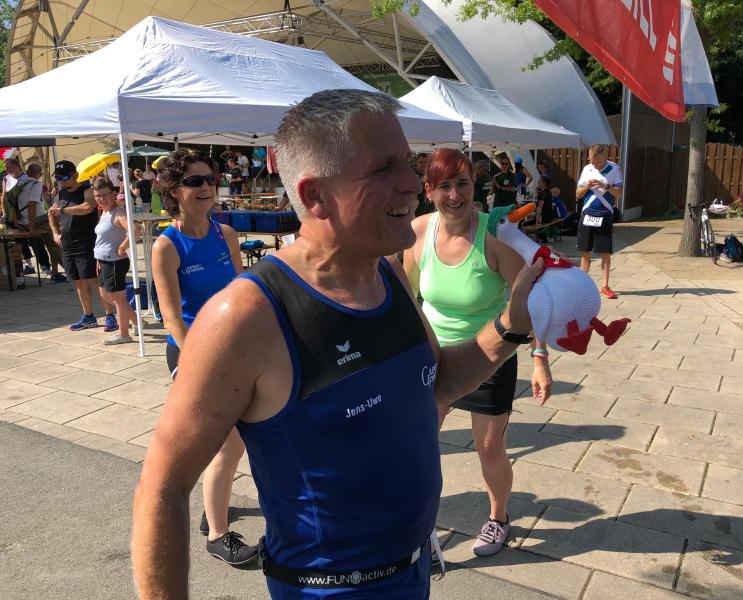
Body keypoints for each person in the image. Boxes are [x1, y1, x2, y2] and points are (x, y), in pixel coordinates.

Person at [132, 89, 541, 599]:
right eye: (384, 168)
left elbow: (439, 383)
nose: (412, 182)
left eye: (408, 163)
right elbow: (162, 487)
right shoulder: (246, 316)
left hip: (414, 575)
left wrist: (511, 324)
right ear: (314, 196)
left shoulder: (390, 275)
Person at [403, 148, 551, 558]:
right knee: (418, 445)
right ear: (429, 190)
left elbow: (529, 301)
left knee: (489, 448)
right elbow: (407, 296)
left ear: (475, 185)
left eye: (463, 184)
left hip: (489, 359)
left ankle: (498, 517)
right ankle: (420, 523)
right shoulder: (417, 233)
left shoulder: (494, 235)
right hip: (435, 359)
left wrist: (540, 359)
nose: (455, 195)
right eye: (444, 186)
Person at [149, 149, 255, 566]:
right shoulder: (166, 245)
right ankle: (217, 534)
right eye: (194, 181)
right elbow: (171, 318)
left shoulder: (225, 234)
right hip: (191, 351)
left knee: (236, 439)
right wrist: (201, 360)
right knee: (228, 442)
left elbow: (242, 292)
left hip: (234, 347)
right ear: (174, 190)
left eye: (210, 179)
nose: (206, 187)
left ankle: (213, 506)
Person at [47, 160, 116, 331]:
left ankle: (110, 315)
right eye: (58, 177)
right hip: (67, 244)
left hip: (86, 243)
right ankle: (88, 316)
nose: (61, 181)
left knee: (94, 280)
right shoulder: (60, 194)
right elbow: (51, 213)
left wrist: (62, 210)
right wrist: (55, 233)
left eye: (64, 177)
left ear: (75, 175)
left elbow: (87, 207)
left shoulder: (87, 191)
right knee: (78, 282)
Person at [92, 177, 138, 345]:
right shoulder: (105, 212)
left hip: (115, 262)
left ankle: (123, 334)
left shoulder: (118, 213)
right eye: (98, 195)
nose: (101, 199)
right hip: (103, 260)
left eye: (104, 195)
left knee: (118, 298)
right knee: (106, 295)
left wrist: (122, 247)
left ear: (113, 194)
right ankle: (137, 321)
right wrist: (98, 258)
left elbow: (135, 231)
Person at [575, 144, 624, 299]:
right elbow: (578, 194)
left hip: (604, 214)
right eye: (592, 161)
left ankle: (605, 286)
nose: (594, 165)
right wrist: (586, 186)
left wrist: (606, 186)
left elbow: (620, 193)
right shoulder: (587, 169)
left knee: (605, 253)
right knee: (585, 252)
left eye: (597, 162)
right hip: (587, 213)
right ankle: (582, 286)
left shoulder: (614, 169)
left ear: (605, 157)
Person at [413, 152, 434, 216]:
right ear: (417, 163)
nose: (423, 164)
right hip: (417, 206)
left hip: (429, 206)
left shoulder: (431, 174)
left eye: (425, 162)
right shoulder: (411, 175)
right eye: (421, 162)